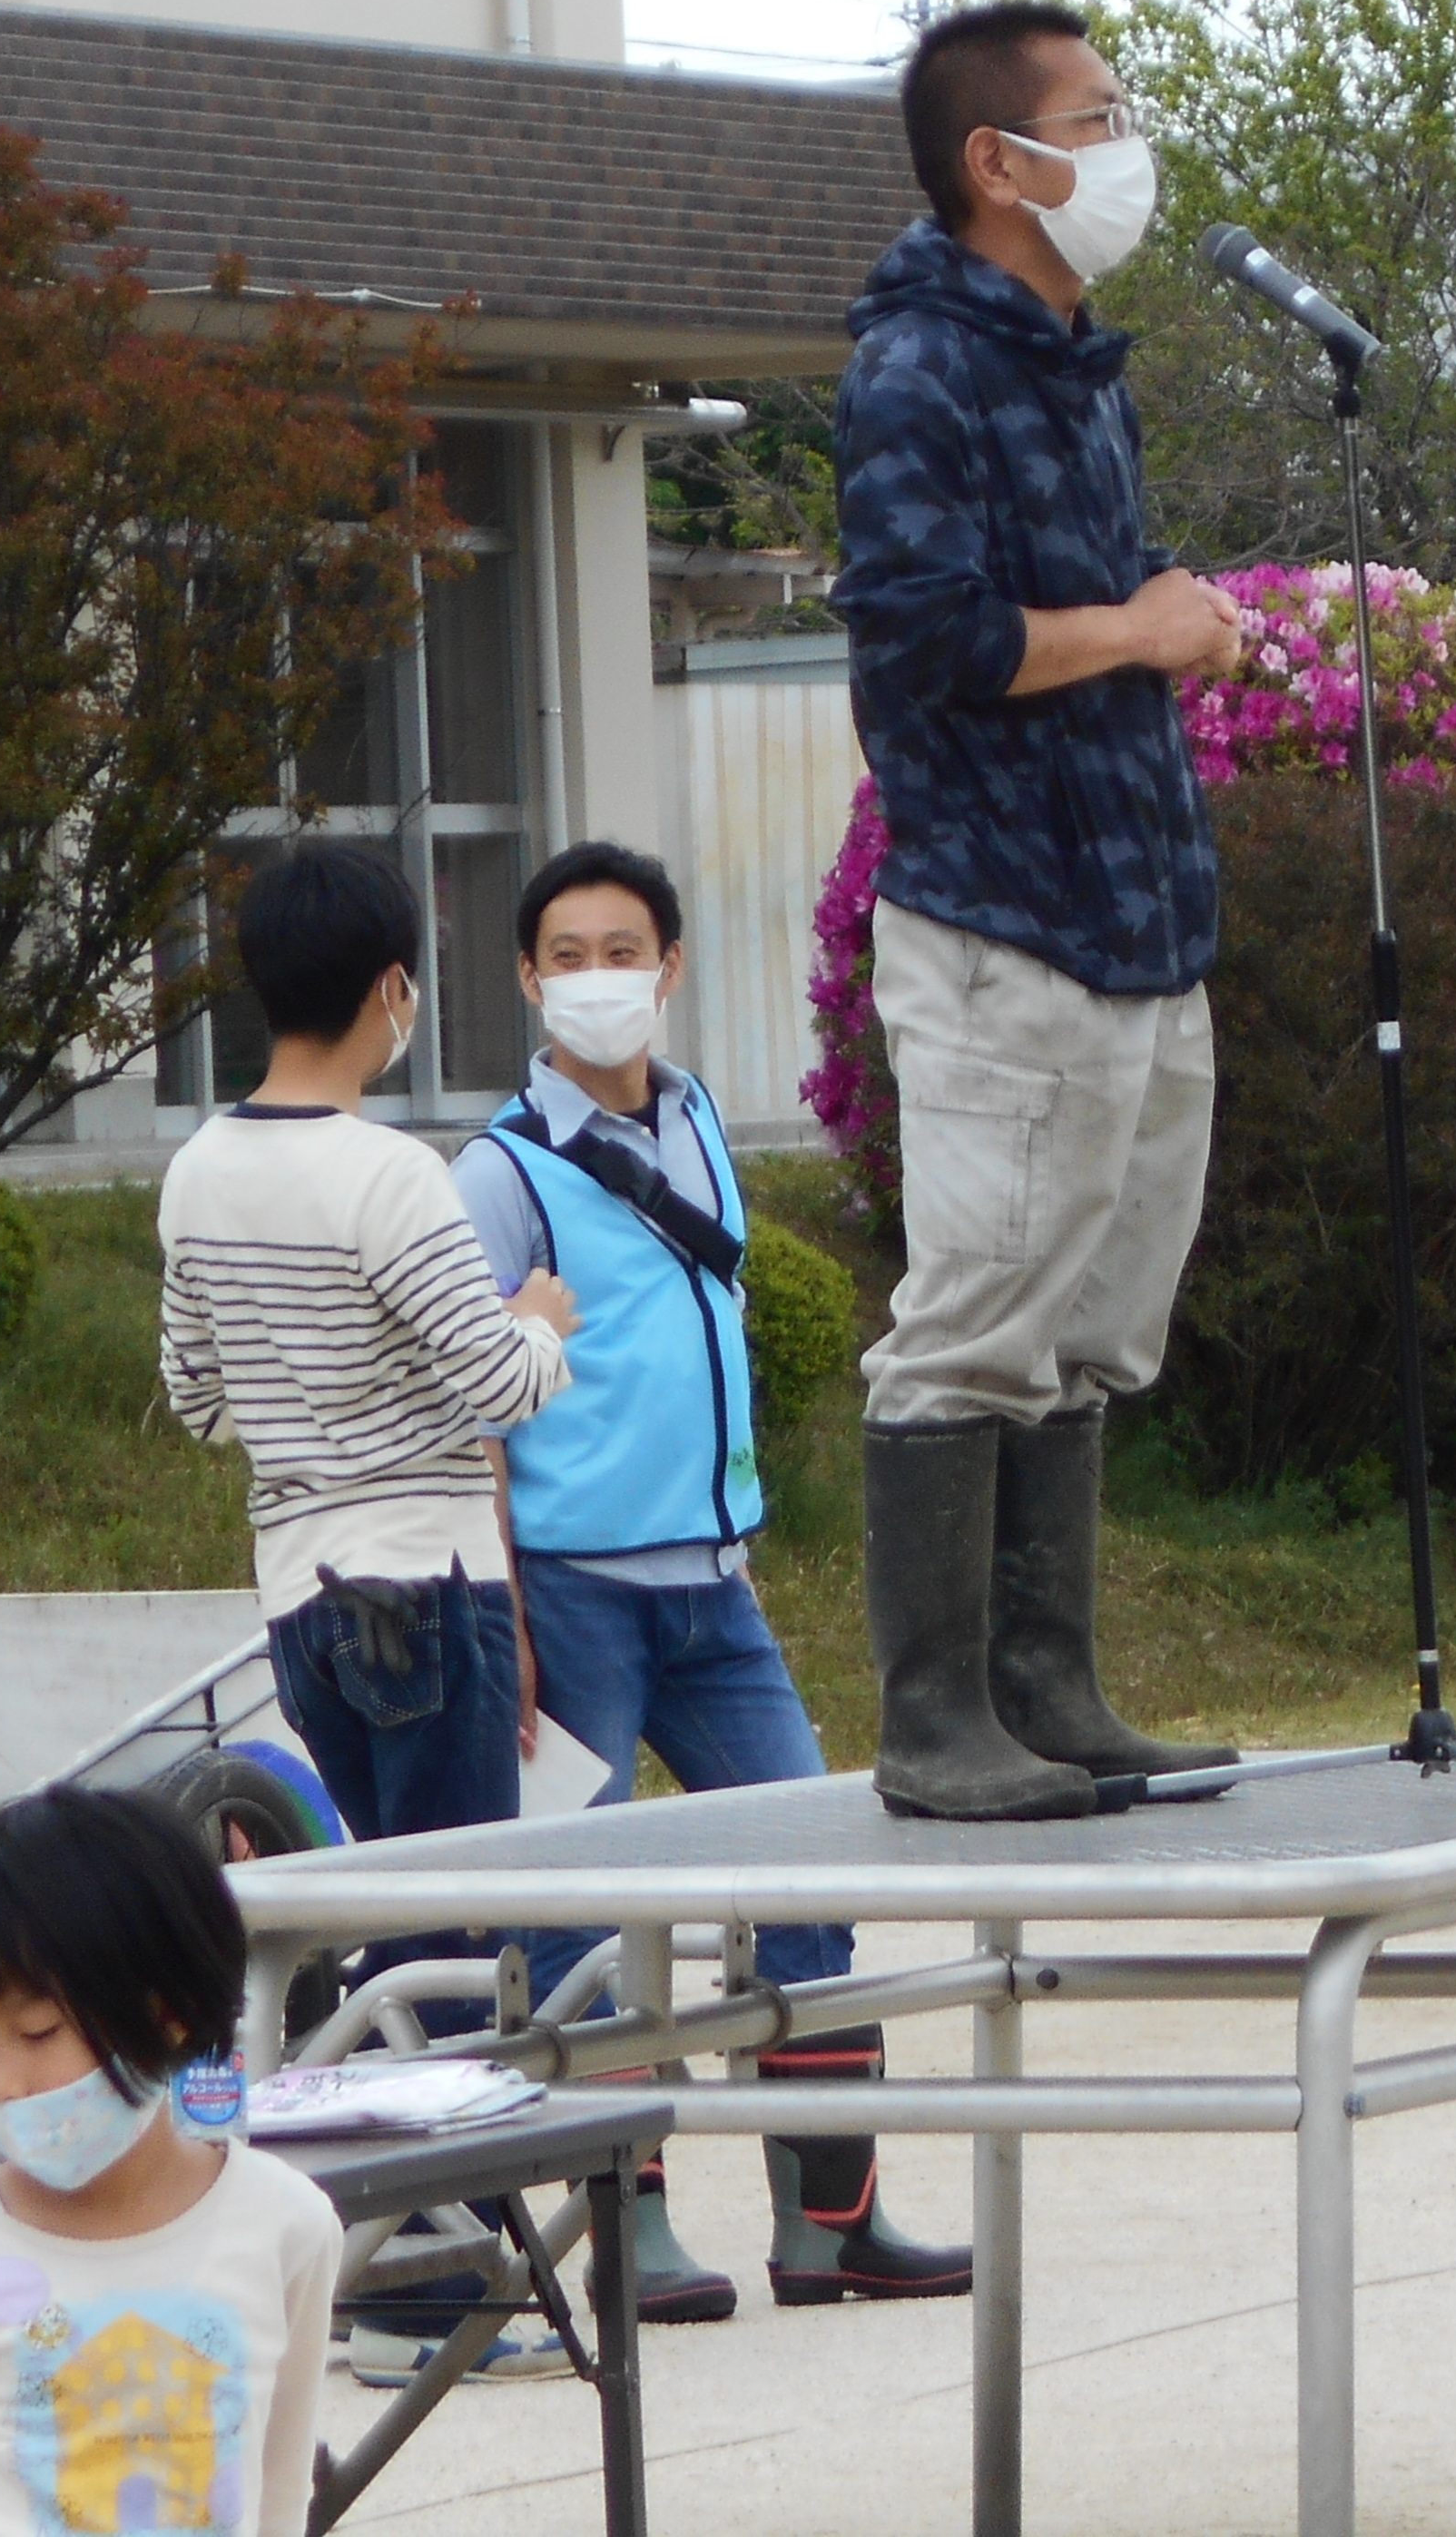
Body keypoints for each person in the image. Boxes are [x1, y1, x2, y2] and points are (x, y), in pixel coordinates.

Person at [453, 839, 969, 2321]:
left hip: (714, 1590)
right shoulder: (497, 1172)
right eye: (567, 951)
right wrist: (509, 1622)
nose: (597, 975)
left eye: (625, 946)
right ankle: (631, 2228)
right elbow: (474, 1406)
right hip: (568, 1593)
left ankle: (831, 2221)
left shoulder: (693, 1125)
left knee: (814, 1873)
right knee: (579, 1917)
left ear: (670, 966)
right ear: (527, 976)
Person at [827, 0, 1242, 1821]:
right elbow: (924, 637)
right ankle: (935, 1721)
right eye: (1096, 114)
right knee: (979, 1307)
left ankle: (1046, 1687)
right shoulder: (921, 364)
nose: (1125, 142)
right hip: (1002, 924)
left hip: (1138, 913)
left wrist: (1159, 624)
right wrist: (1141, 631)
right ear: (999, 163)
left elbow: (1070, 623)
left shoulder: (1072, 360)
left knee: (1091, 1316)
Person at [157, 839, 578, 2382]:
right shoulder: (391, 1170)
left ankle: (392, 2262)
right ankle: (429, 2283)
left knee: (377, 1925)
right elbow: (492, 1384)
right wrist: (540, 1323)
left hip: (299, 1600)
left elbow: (193, 1395)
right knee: (449, 1934)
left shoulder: (198, 1167)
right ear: (394, 989)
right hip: (430, 1578)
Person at [0, 1785, 342, 2537]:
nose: (0, 2083)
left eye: (38, 2033)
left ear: (166, 2012)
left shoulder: (287, 2228)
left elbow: (280, 2491)